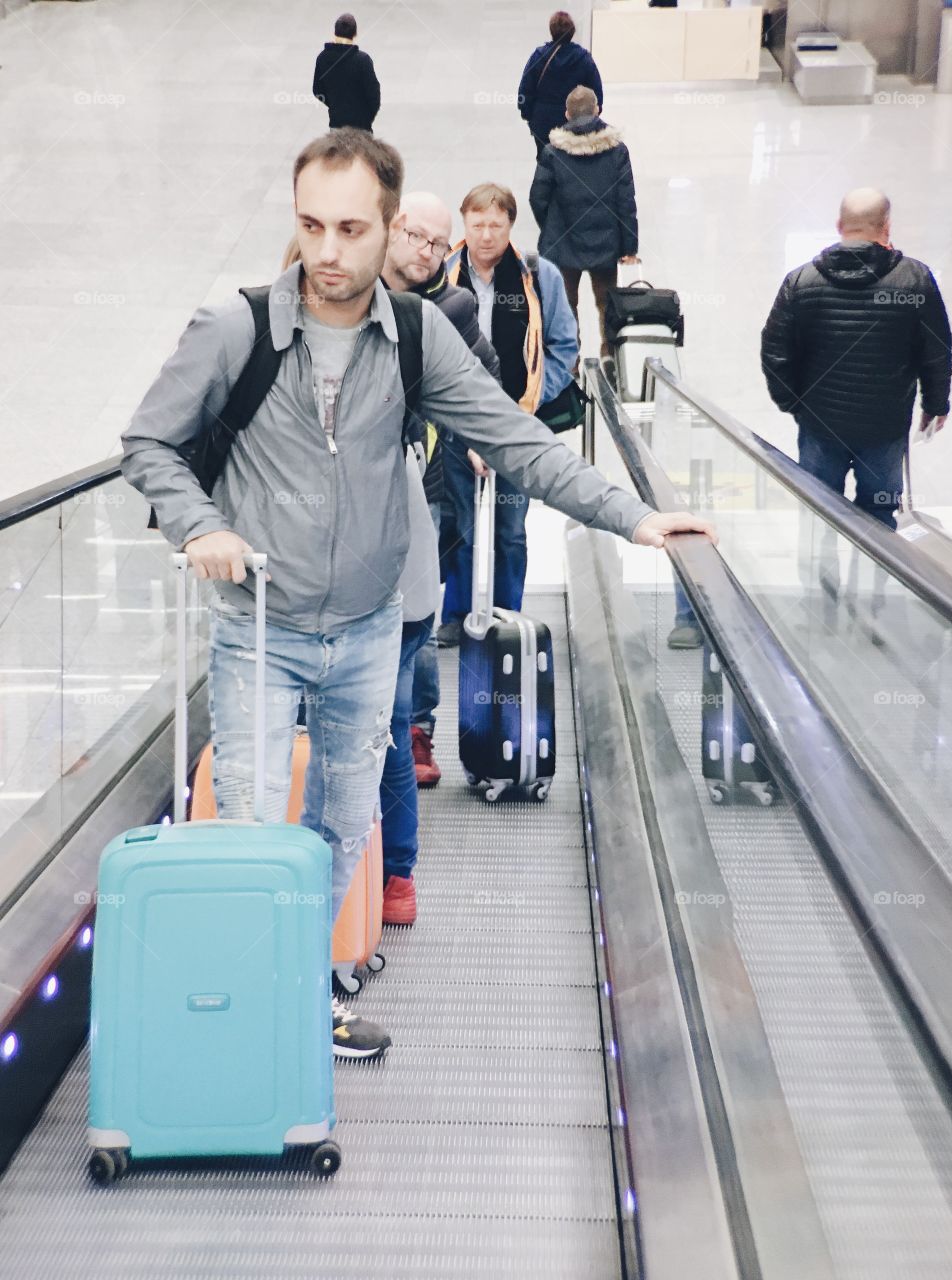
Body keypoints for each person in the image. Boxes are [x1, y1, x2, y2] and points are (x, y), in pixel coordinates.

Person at [122, 129, 716, 1062]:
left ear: (390, 227)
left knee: (338, 829)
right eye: (311, 224)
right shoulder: (235, 328)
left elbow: (514, 439)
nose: (328, 250)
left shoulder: (415, 336)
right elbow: (150, 442)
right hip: (259, 629)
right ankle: (241, 1032)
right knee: (247, 827)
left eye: (352, 227)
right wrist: (200, 525)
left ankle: (305, 1001)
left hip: (366, 632)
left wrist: (631, 516)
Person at [381, 192, 501, 797]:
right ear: (391, 228)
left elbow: (484, 372)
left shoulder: (455, 305)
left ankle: (414, 728)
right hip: (345, 486)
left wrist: (484, 436)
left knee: (416, 617)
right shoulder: (354, 289)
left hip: (420, 481)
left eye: (438, 243)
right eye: (417, 237)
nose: (427, 252)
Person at [761, 188, 952, 530]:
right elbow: (936, 350)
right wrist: (936, 403)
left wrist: (795, 404)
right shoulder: (915, 280)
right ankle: (877, 582)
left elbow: (775, 351)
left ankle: (819, 582)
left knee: (818, 514)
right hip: (886, 427)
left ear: (839, 225)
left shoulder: (801, 280)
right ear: (887, 227)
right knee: (879, 516)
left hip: (820, 426)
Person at [440, 182, 579, 648]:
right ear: (464, 224)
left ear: (510, 227)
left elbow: (564, 344)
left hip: (519, 424)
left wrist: (534, 399)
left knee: (510, 530)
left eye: (495, 226)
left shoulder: (541, 276)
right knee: (458, 524)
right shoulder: (443, 274)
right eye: (477, 225)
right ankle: (455, 614)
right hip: (454, 422)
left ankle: (506, 616)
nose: (485, 235)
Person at [530, 85, 638, 376]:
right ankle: (609, 355)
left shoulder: (553, 152)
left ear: (566, 114)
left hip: (563, 245)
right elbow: (626, 200)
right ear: (597, 110)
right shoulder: (617, 151)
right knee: (607, 303)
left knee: (567, 305)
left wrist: (550, 228)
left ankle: (571, 361)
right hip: (605, 246)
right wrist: (629, 246)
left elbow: (537, 198)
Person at [518, 11, 603, 160]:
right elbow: (597, 94)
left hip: (543, 125)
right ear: (572, 31)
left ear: (552, 30)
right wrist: (592, 117)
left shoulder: (539, 56)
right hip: (576, 124)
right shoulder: (584, 59)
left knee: (545, 164)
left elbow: (525, 91)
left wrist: (529, 116)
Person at [312, 13, 381, 132]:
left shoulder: (322, 58)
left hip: (336, 125)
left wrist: (335, 106)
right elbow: (374, 94)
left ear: (335, 32)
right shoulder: (363, 60)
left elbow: (317, 90)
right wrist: (366, 116)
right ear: (355, 34)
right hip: (361, 128)